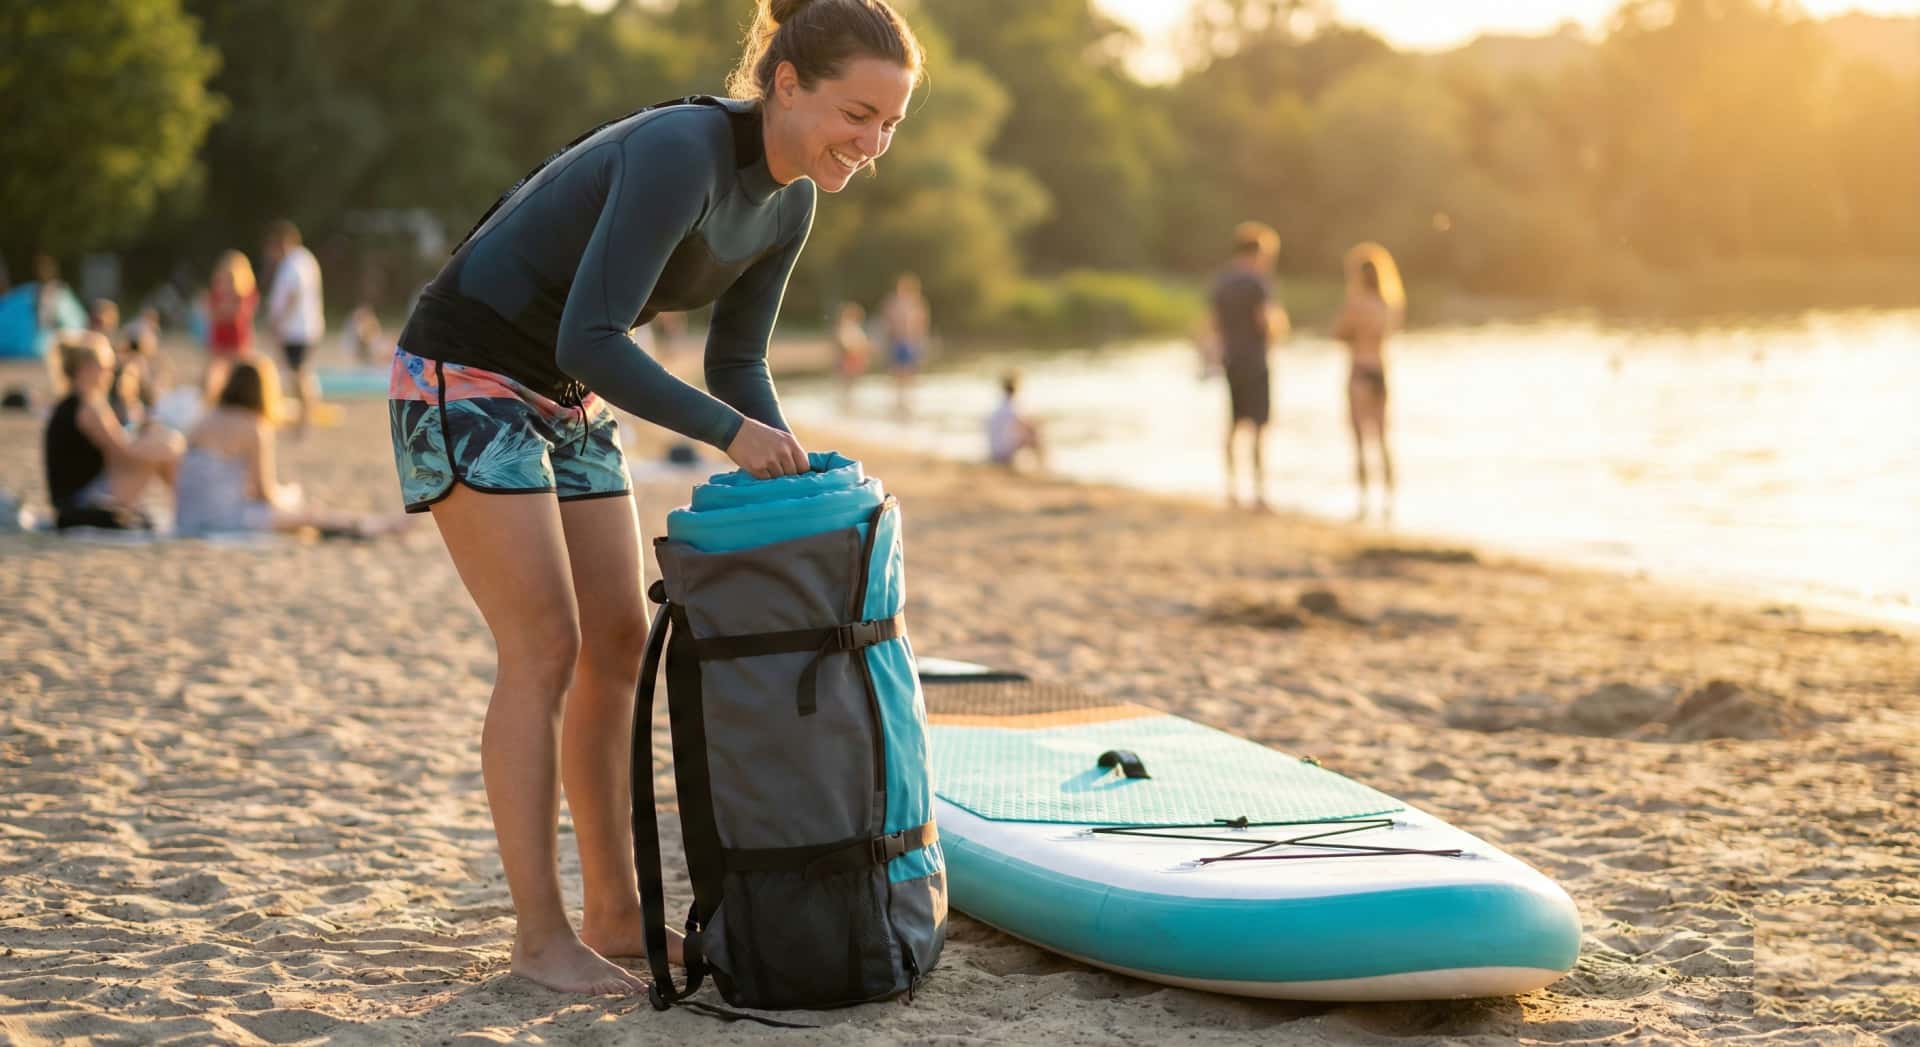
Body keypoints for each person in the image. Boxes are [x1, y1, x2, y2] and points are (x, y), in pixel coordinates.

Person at [385, 0, 923, 996]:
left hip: (568, 389)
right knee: (543, 645)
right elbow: (591, 333)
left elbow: (737, 356)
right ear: (788, 84)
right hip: (467, 371)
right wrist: (727, 435)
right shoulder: (685, 150)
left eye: (889, 124)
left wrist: (787, 459)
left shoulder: (793, 197)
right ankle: (539, 939)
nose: (872, 143)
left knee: (620, 643)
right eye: (858, 113)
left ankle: (616, 917)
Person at [176, 359, 406, 538]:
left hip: (186, 515)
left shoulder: (205, 419)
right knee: (311, 514)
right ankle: (377, 525)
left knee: (300, 512)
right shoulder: (254, 427)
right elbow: (264, 493)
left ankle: (375, 524)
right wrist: (288, 496)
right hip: (222, 519)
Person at [42, 332, 183, 530]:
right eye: (106, 368)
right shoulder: (88, 406)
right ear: (87, 369)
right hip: (81, 502)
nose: (110, 375)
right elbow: (121, 452)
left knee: (161, 445)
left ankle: (185, 508)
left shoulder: (71, 404)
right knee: (163, 450)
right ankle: (186, 510)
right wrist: (165, 446)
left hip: (72, 498)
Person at [1209, 221, 1287, 511]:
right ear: (1259, 252)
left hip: (1231, 359)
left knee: (1231, 424)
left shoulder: (1222, 281)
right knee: (1258, 427)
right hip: (1255, 360)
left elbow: (1212, 325)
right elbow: (1266, 322)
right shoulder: (1258, 282)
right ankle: (1259, 491)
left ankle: (1231, 488)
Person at [1333, 243, 1405, 522]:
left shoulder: (1356, 305)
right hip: (1381, 372)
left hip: (1360, 371)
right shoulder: (1389, 305)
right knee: (1384, 439)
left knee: (1360, 440)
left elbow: (1339, 333)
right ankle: (1389, 504)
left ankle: (1363, 504)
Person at [263, 221, 326, 437]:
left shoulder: (295, 262)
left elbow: (293, 294)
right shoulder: (302, 260)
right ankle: (305, 418)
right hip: (303, 328)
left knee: (299, 375)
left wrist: (278, 322)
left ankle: (305, 419)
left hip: (297, 329)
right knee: (299, 374)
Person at [205, 251, 258, 401]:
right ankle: (213, 401)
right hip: (220, 336)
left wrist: (225, 310)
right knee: (215, 372)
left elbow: (242, 314)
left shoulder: (245, 290)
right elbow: (213, 314)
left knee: (239, 373)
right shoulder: (217, 290)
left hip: (238, 337)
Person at [880, 271, 928, 416]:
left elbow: (922, 324)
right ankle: (899, 400)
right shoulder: (893, 302)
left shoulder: (917, 303)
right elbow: (887, 323)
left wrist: (921, 341)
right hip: (898, 342)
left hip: (910, 342)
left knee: (909, 372)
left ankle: (906, 400)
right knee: (897, 372)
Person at [986, 370, 1046, 472]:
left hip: (994, 451)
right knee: (1035, 434)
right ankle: (1043, 467)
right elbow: (1027, 426)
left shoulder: (998, 407)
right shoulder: (1014, 407)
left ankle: (1041, 467)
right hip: (1003, 453)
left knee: (1029, 432)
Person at [831, 300, 870, 409]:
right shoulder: (844, 327)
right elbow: (843, 343)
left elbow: (863, 344)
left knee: (850, 384)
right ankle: (845, 404)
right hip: (847, 360)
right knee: (846, 383)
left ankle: (847, 403)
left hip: (852, 360)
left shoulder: (854, 328)